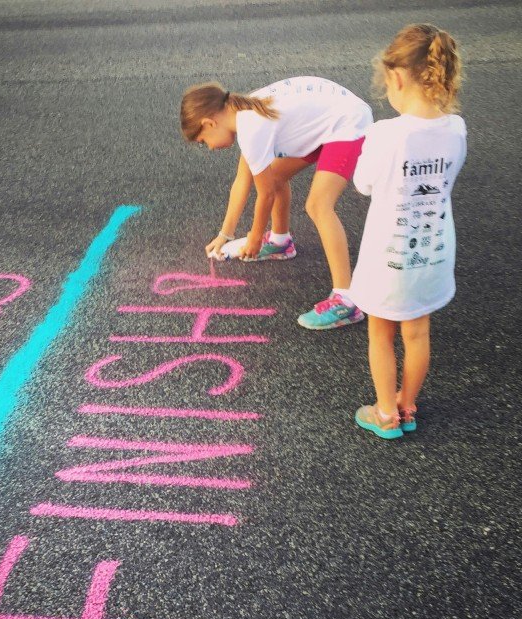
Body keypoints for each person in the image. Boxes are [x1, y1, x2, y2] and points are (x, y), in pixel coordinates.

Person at [180, 76, 373, 330]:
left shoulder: (250, 127)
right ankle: (281, 242)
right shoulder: (242, 111)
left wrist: (255, 238)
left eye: (203, 141)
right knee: (278, 174)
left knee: (318, 205)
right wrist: (224, 234)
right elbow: (242, 181)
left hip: (347, 124)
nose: (209, 148)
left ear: (209, 122)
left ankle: (346, 300)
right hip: (325, 122)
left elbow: (266, 194)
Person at [350, 24, 466, 439]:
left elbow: (363, 184)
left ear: (396, 77)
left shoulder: (387, 134)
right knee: (417, 334)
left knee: (380, 333)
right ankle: (407, 404)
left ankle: (384, 413)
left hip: (390, 255)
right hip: (433, 250)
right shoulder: (456, 129)